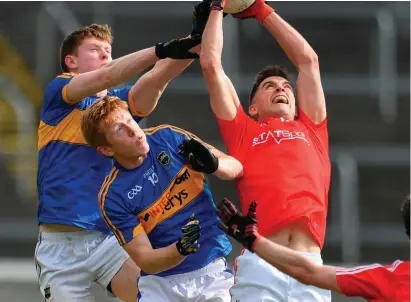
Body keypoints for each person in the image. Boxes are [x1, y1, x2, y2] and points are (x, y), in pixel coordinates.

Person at [35, 6, 206, 300]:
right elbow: (106, 77)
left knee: (158, 296)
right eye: (95, 49)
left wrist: (197, 39)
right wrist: (161, 50)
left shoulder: (116, 106)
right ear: (70, 61)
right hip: (60, 246)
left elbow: (157, 78)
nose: (105, 55)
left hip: (110, 240)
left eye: (108, 50)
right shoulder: (59, 92)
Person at [199, 0, 331, 300]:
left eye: (285, 86)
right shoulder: (245, 132)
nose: (281, 89)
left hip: (310, 267)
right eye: (269, 86)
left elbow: (308, 60)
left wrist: (260, 9)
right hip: (261, 263)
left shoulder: (312, 128)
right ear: (253, 107)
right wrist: (217, 7)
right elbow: (210, 63)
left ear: (297, 102)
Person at [80, 95, 243, 301]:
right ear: (106, 149)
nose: (134, 131)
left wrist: (214, 165)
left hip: (212, 274)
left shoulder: (168, 137)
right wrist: (181, 248)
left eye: (130, 120)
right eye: (120, 130)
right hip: (160, 286)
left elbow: (236, 167)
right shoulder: (112, 196)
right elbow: (146, 260)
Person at [217, 195, 411, 302]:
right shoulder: (392, 280)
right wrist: (255, 242)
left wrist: (255, 242)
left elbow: (309, 272)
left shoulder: (392, 279)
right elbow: (309, 273)